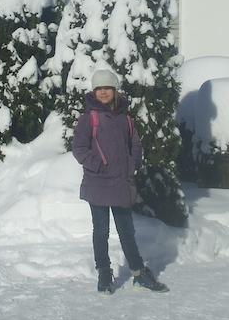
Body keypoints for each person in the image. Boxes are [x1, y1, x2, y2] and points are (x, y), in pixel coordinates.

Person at [72, 66, 168, 294]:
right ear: (94, 92)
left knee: (127, 231)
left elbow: (135, 144)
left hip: (121, 183)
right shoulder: (88, 118)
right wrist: (97, 165)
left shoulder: (125, 119)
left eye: (108, 88)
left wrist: (133, 164)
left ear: (115, 90)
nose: (103, 92)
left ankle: (138, 272)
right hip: (98, 183)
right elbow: (79, 148)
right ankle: (104, 273)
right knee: (101, 231)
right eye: (99, 88)